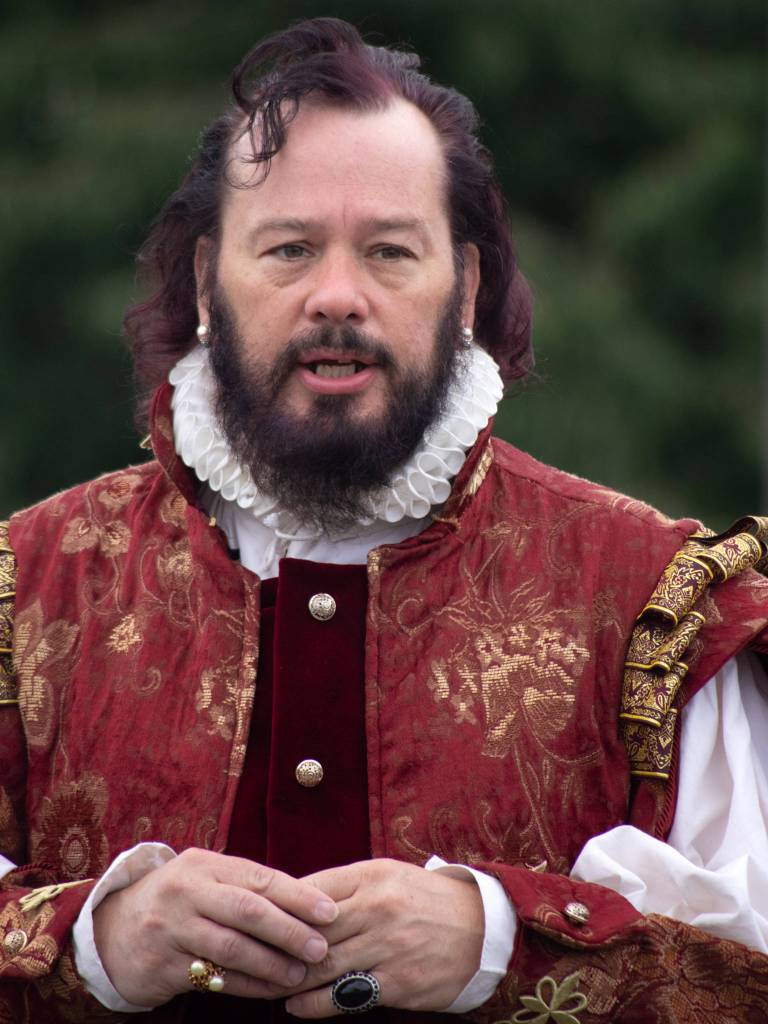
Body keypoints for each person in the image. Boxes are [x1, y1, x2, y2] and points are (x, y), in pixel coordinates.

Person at [0, 16, 767, 1024]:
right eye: (288, 248)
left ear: (466, 290)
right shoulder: (27, 587)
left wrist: (500, 941)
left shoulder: (656, 607)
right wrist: (92, 940)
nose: (336, 296)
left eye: (390, 252)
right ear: (202, 284)